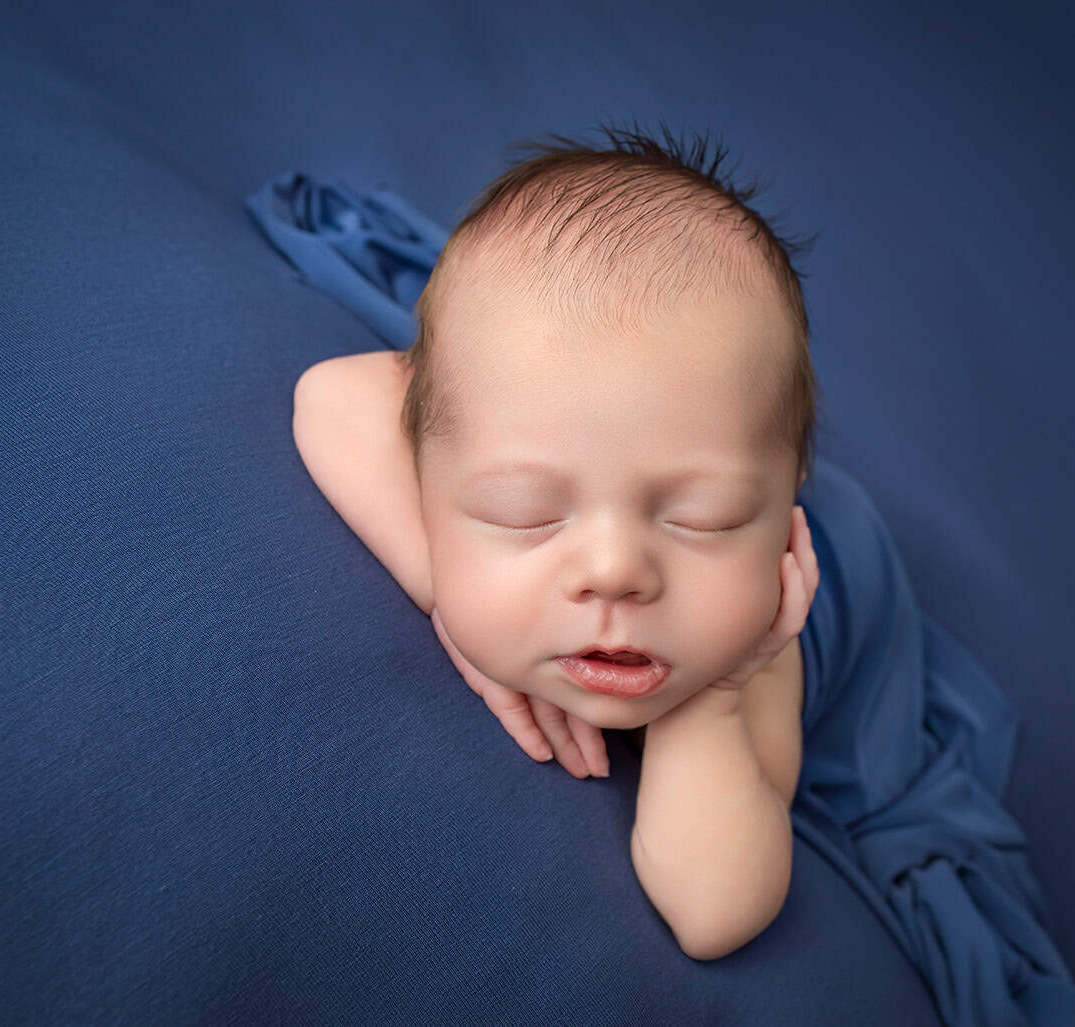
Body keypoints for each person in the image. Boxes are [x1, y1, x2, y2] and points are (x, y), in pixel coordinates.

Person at [292, 124, 822, 962]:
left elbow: (716, 912)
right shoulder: (495, 417)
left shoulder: (759, 634)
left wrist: (714, 701)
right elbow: (330, 395)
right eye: (523, 511)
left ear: (784, 501)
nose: (615, 571)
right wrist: (451, 595)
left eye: (707, 518)